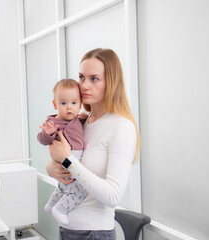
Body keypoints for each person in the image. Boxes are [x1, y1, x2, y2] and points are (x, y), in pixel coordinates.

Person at [46, 48, 140, 240]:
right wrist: (51, 167)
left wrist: (67, 160)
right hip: (67, 229)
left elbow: (113, 196)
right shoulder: (82, 122)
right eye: (81, 77)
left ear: (111, 83)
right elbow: (68, 162)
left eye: (94, 79)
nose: (84, 86)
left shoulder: (121, 127)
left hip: (94, 234)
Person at [37, 79, 87, 225]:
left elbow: (78, 129)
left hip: (73, 159)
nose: (69, 108)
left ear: (80, 103)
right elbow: (42, 139)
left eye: (74, 103)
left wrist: (84, 118)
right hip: (67, 159)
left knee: (63, 187)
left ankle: (50, 205)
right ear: (55, 104)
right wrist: (48, 133)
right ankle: (60, 209)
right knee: (78, 190)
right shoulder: (53, 123)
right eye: (63, 103)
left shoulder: (77, 119)